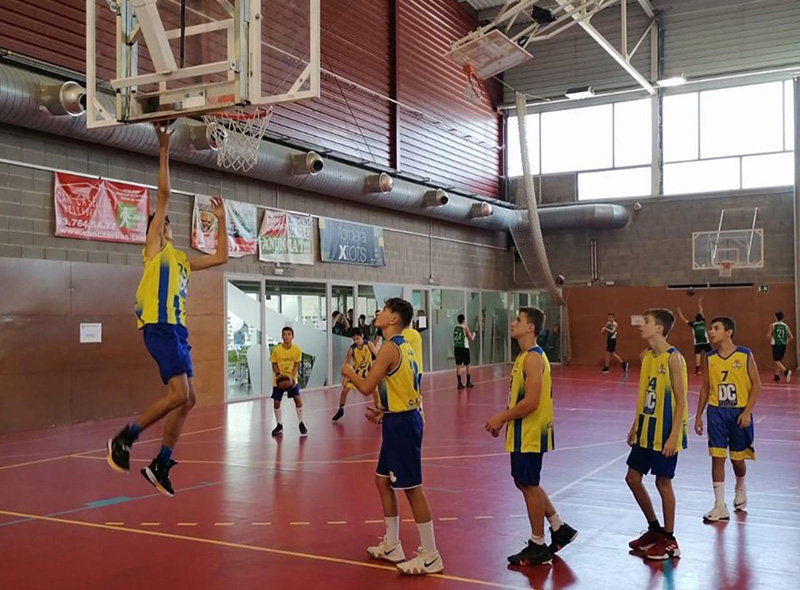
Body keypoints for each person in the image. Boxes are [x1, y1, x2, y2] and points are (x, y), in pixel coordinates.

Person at [106, 122, 229, 497]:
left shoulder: (181, 260)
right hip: (159, 326)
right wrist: (163, 149)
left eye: (168, 226)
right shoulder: (155, 251)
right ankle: (124, 440)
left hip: (177, 331)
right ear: (154, 234)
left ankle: (161, 463)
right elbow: (163, 193)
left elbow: (222, 256)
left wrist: (222, 222)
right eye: (162, 226)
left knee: (188, 398)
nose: (167, 227)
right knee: (178, 394)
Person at [342, 298, 443, 575]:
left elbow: (365, 386)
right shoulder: (403, 346)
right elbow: (405, 387)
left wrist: (348, 371)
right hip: (397, 418)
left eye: (385, 310)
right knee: (382, 480)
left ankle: (431, 554)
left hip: (403, 423)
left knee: (412, 488)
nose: (379, 312)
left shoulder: (388, 348)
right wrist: (384, 411)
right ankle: (391, 545)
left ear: (394, 318)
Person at [485, 307, 577, 566]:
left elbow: (532, 401)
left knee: (529, 484)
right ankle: (558, 527)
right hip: (522, 431)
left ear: (530, 328)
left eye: (518, 320)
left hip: (531, 431)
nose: (513, 323)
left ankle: (538, 544)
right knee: (524, 482)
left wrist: (501, 417)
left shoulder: (533, 358)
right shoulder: (524, 357)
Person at [625, 309, 688, 560]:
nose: (642, 325)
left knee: (663, 483)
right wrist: (635, 423)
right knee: (632, 478)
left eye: (647, 321)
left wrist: (673, 436)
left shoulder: (674, 358)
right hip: (645, 430)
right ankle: (654, 529)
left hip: (665, 432)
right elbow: (645, 393)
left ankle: (670, 540)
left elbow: (682, 401)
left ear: (659, 328)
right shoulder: (646, 356)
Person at [695, 316, 761, 522]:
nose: (711, 332)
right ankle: (719, 505)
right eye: (710, 328)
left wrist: (747, 412)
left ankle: (740, 486)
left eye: (715, 328)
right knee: (717, 457)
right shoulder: (710, 357)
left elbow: (757, 385)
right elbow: (705, 388)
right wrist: (698, 415)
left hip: (738, 411)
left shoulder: (745, 354)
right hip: (716, 412)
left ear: (728, 332)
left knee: (737, 459)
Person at [333, 327, 378, 421]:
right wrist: (345, 377)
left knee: (375, 391)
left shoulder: (369, 344)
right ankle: (341, 409)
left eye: (357, 338)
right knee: (345, 390)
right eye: (354, 339)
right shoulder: (351, 349)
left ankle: (378, 410)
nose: (356, 341)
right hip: (357, 374)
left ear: (362, 336)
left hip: (369, 373)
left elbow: (377, 356)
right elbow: (346, 364)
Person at [270, 326, 306, 436]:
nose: (286, 337)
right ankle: (279, 424)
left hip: (291, 379)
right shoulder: (276, 350)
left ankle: (301, 422)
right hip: (279, 379)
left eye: (289, 334)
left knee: (297, 399)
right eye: (284, 334)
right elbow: (274, 364)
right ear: (282, 336)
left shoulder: (296, 349)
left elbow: (296, 365)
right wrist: (278, 375)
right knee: (276, 402)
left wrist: (293, 377)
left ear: (292, 336)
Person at [677, 298, 712, 376]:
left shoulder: (693, 324)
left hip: (698, 342)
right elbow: (701, 312)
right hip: (705, 341)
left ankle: (697, 370)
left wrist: (679, 312)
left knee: (697, 355)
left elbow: (684, 320)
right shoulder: (703, 322)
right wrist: (699, 303)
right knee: (710, 354)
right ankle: (713, 366)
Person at [767, 311, 793, 382]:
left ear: (776, 317)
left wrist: (768, 335)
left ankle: (786, 372)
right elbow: (791, 336)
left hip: (776, 344)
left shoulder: (772, 325)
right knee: (778, 360)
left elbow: (769, 336)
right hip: (783, 344)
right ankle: (777, 376)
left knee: (776, 361)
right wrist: (786, 341)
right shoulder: (786, 326)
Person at [453, 314, 475, 389]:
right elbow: (470, 338)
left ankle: (459, 383)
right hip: (464, 347)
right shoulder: (465, 327)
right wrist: (474, 335)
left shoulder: (455, 328)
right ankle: (468, 382)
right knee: (467, 365)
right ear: (463, 319)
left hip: (457, 347)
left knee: (458, 366)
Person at [402, 323, 424, 392]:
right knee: (417, 391)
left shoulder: (402, 335)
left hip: (408, 369)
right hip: (418, 367)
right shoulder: (417, 334)